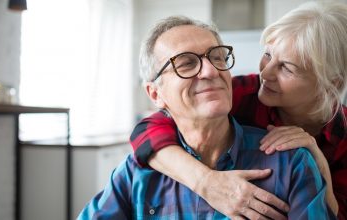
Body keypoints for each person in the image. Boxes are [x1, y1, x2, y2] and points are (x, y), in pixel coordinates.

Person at [78, 15, 336, 219]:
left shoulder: (292, 164)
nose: (211, 71)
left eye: (217, 57)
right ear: (155, 93)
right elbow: (144, 130)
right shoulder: (137, 172)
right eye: (186, 63)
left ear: (328, 84)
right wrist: (205, 182)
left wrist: (322, 168)